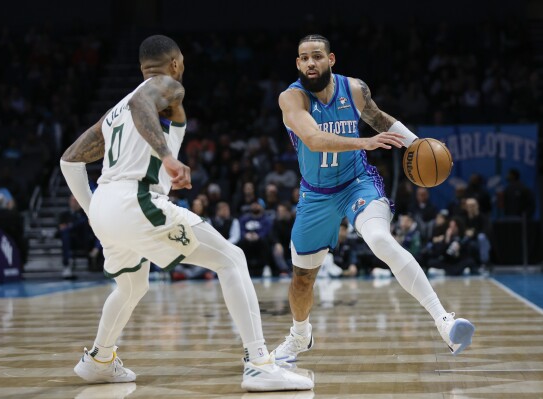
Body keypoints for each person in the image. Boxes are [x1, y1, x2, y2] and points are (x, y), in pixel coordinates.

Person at [59, 35, 312, 392]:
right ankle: (259, 364)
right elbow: (142, 106)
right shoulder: (165, 86)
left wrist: (94, 214)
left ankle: (100, 359)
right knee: (232, 259)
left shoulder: (115, 109)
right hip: (137, 199)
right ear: (176, 63)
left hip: (106, 205)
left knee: (132, 285)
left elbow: (69, 159)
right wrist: (167, 156)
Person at [272, 34, 475, 363]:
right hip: (317, 194)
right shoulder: (292, 99)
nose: (311, 62)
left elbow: (379, 119)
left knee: (380, 239)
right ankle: (299, 336)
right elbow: (313, 138)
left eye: (317, 56)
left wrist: (417, 145)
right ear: (297, 63)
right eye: (304, 58)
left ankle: (444, 322)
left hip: (357, 183)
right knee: (302, 279)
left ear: (331, 59)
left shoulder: (353, 89)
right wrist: (363, 143)